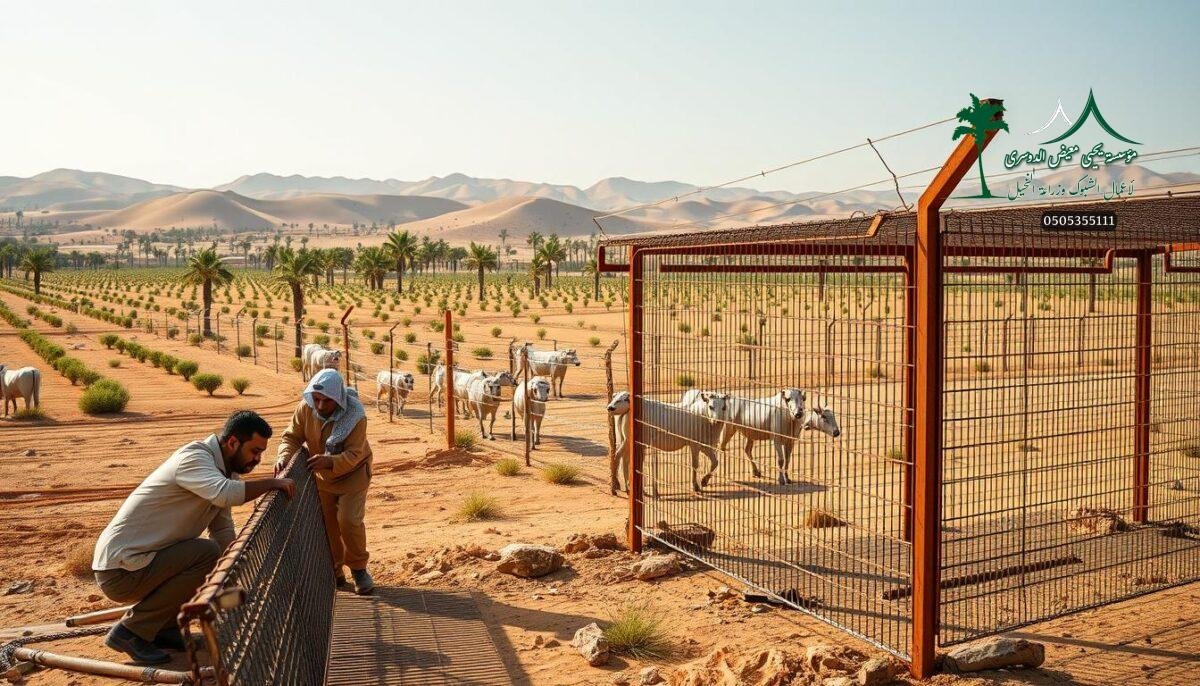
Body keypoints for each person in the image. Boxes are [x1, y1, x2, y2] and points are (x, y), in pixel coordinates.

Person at [92, 411, 294, 665]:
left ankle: (163, 630)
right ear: (233, 443)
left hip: (144, 563)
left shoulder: (225, 472)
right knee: (206, 554)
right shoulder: (195, 458)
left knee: (211, 557)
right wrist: (273, 484)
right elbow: (225, 495)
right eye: (254, 451)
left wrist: (236, 568)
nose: (257, 459)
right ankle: (130, 632)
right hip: (121, 571)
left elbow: (221, 529)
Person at [276, 368, 374, 595]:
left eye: (326, 401)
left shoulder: (355, 416)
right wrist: (284, 457)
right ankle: (335, 571)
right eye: (316, 399)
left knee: (348, 520)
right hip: (323, 477)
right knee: (328, 525)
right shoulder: (306, 408)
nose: (320, 406)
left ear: (338, 398)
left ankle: (359, 569)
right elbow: (291, 437)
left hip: (353, 474)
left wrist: (329, 462)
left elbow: (354, 454)